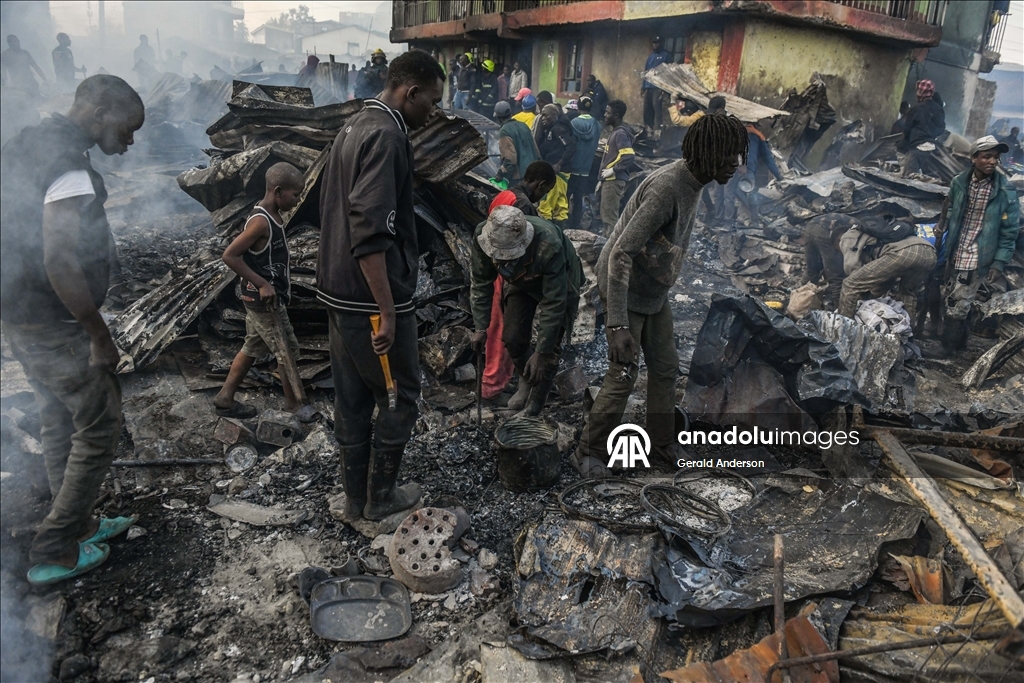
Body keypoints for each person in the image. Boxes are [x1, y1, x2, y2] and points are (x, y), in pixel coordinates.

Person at [1, 75, 145, 584]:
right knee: (101, 420)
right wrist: (98, 335)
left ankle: (77, 523)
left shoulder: (26, 142)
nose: (129, 142)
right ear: (100, 111)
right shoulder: (68, 167)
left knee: (58, 417)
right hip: (54, 318)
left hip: (19, 309)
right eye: (127, 130)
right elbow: (59, 258)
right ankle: (57, 547)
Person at [575, 114, 748, 477]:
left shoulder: (695, 181)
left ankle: (662, 440)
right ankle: (588, 450)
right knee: (623, 372)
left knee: (666, 367)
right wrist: (618, 323)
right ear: (708, 152)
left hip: (652, 291)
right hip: (624, 287)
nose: (737, 163)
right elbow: (620, 253)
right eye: (730, 154)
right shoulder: (667, 188)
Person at [317, 50, 444, 523]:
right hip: (369, 299)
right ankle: (380, 497)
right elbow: (369, 231)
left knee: (350, 396)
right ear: (409, 93)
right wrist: (388, 310)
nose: (433, 112)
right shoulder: (388, 135)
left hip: (337, 292)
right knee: (398, 394)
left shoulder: (354, 124)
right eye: (430, 102)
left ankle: (354, 499)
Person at [214, 163, 310, 420]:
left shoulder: (274, 215)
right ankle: (294, 404)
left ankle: (225, 398)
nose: (298, 199)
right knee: (285, 348)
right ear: (278, 191)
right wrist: (263, 284)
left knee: (252, 345)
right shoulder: (260, 222)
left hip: (263, 298)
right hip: (262, 300)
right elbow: (230, 256)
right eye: (295, 194)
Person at [469, 205, 584, 416]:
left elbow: (554, 303)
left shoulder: (549, 246)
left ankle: (534, 406)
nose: (500, 258)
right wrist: (480, 327)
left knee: (549, 349)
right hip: (518, 278)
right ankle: (526, 381)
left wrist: (541, 351)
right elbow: (481, 283)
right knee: (513, 338)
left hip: (560, 280)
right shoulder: (483, 236)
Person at [933, 135, 1019, 356]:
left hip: (979, 253)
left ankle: (948, 349)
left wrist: (998, 263)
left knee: (959, 299)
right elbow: (952, 207)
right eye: (986, 157)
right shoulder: (959, 183)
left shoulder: (1005, 191)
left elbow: (1009, 231)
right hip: (956, 248)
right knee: (954, 295)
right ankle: (960, 344)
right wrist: (943, 224)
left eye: (996, 158)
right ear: (974, 158)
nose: (992, 162)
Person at [837, 219, 935, 322]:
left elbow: (852, 269)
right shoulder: (877, 234)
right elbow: (885, 280)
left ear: (838, 240)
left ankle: (844, 329)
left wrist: (860, 292)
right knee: (906, 293)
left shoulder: (847, 237)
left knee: (849, 284)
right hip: (929, 252)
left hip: (903, 252)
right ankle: (907, 334)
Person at [803, 213, 859, 307]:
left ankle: (799, 299)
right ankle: (840, 309)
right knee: (837, 276)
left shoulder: (856, 221)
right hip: (825, 232)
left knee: (812, 270)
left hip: (810, 226)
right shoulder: (862, 228)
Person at [598, 100, 635, 237]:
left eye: (608, 112)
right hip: (609, 180)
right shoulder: (617, 132)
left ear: (617, 115)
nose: (605, 115)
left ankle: (610, 248)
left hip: (613, 180)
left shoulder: (620, 134)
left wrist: (612, 170)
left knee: (610, 218)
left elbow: (629, 156)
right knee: (606, 216)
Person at [534, 103, 575, 226]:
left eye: (546, 116)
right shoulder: (552, 129)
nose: (543, 119)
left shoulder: (558, 129)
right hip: (559, 172)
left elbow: (571, 147)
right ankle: (560, 232)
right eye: (542, 116)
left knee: (546, 203)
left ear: (555, 115)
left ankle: (545, 232)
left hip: (557, 172)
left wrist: (559, 164)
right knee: (560, 204)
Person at [567, 95, 602, 229]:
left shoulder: (574, 123)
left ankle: (565, 223)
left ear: (578, 108)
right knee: (578, 198)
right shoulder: (597, 125)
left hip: (573, 167)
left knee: (566, 197)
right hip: (586, 168)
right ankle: (576, 225)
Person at [899, 79, 945, 176]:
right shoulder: (939, 109)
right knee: (927, 178)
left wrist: (902, 147)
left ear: (921, 92)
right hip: (932, 149)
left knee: (909, 176)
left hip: (917, 148)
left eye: (918, 91)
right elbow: (941, 129)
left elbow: (907, 129)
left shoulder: (916, 108)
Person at [493, 100, 540, 185]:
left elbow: (510, 160)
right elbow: (535, 149)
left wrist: (500, 174)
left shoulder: (504, 131)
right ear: (510, 114)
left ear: (498, 118)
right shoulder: (523, 125)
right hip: (534, 172)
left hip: (520, 178)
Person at [641, 36, 670, 134]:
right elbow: (646, 72)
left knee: (656, 107)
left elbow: (669, 72)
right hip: (648, 86)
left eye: (657, 43)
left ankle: (657, 130)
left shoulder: (666, 55)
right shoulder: (650, 57)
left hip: (658, 87)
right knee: (647, 108)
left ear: (661, 43)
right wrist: (643, 87)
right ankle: (648, 129)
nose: (655, 45)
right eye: (654, 43)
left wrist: (665, 88)